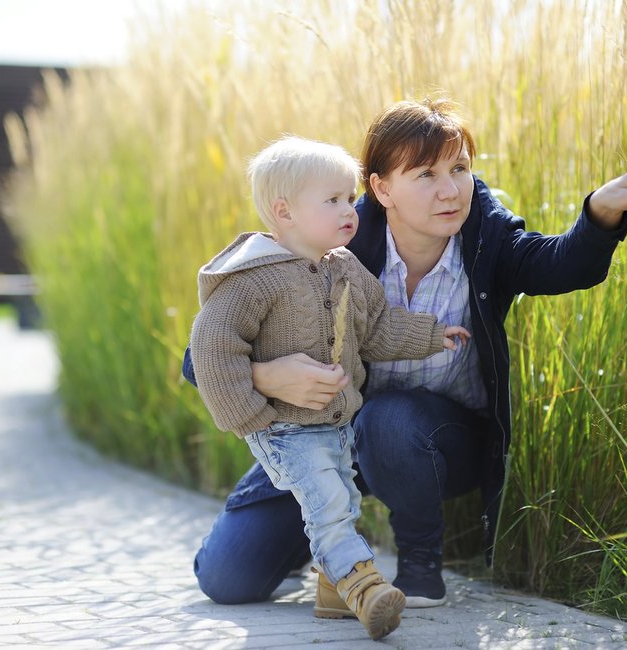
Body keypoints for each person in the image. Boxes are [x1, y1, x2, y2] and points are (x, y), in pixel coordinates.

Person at [185, 97, 627, 611]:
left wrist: (603, 209)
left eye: (459, 168)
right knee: (228, 579)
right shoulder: (332, 239)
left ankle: (420, 568)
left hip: (443, 442)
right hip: (322, 433)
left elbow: (562, 266)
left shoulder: (486, 233)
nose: (450, 190)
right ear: (380, 188)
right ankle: (323, 551)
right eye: (424, 174)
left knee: (389, 419)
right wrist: (271, 377)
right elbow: (202, 354)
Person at [188, 135, 470, 640]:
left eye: (350, 197)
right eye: (334, 200)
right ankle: (365, 588)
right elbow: (211, 348)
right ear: (284, 211)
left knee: (340, 494)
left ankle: (331, 590)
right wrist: (252, 414)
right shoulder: (253, 279)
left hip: (334, 424)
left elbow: (377, 325)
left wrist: (430, 335)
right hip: (283, 429)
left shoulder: (344, 268)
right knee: (330, 505)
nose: (350, 210)